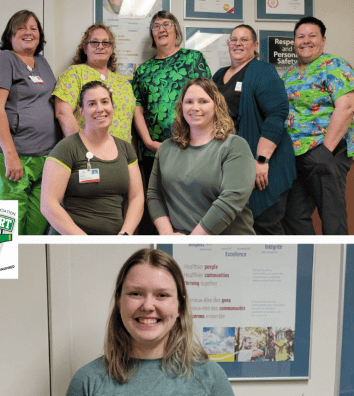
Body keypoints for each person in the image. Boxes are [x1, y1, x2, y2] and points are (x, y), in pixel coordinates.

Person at [58, 248, 245, 396]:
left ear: (180, 306)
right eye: (135, 293)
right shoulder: (88, 381)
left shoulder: (211, 377)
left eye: (162, 295)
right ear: (119, 301)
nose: (148, 305)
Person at [0, 10, 57, 235]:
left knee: (36, 226)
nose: (28, 32)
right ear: (10, 34)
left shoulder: (42, 63)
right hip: (8, 156)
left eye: (34, 28)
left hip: (43, 158)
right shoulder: (0, 60)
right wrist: (10, 155)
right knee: (2, 230)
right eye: (22, 28)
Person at [213, 25, 296, 235]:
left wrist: (261, 160)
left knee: (264, 224)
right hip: (237, 160)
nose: (238, 44)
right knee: (243, 224)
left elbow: (277, 113)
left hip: (266, 160)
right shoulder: (219, 75)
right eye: (233, 40)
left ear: (255, 45)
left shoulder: (262, 71)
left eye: (244, 40)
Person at [147, 77, 256, 235]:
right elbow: (154, 194)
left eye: (203, 101)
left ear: (216, 106)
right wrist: (168, 236)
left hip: (228, 245)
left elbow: (231, 200)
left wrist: (192, 241)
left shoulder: (234, 146)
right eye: (189, 101)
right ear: (181, 106)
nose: (195, 108)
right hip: (179, 240)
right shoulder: (166, 148)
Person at [281, 16, 354, 235]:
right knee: (292, 215)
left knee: (332, 217)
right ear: (294, 41)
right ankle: (310, 261)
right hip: (295, 156)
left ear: (323, 40)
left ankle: (341, 267)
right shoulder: (290, 73)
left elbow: (347, 107)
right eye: (300, 36)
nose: (306, 41)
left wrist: (325, 151)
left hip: (325, 150)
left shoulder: (334, 65)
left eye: (312, 35)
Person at [41, 81, 143, 235]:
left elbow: (136, 197)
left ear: (113, 106)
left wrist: (126, 234)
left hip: (114, 240)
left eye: (105, 102)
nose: (100, 109)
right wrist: (84, 240)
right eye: (91, 104)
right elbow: (48, 205)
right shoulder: (66, 148)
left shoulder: (125, 149)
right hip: (72, 240)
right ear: (81, 111)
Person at [133, 11, 211, 187]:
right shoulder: (143, 70)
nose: (161, 29)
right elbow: (137, 108)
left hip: (191, 147)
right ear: (152, 34)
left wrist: (200, 140)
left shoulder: (193, 59)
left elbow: (209, 99)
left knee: (190, 200)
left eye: (166, 24)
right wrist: (148, 142)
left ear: (176, 30)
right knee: (157, 200)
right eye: (156, 26)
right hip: (154, 151)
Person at [53, 23, 135, 143]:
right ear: (85, 48)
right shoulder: (74, 74)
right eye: (94, 42)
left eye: (105, 43)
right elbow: (63, 113)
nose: (100, 47)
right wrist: (80, 150)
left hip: (123, 156)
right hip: (89, 155)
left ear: (111, 49)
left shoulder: (123, 83)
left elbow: (129, 124)